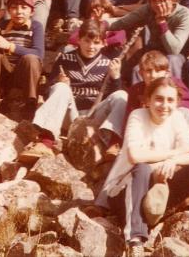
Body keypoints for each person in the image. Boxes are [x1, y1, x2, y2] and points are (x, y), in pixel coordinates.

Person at [98, 77, 189, 255]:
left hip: (157, 193)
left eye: (170, 100)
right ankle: (135, 239)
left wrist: (173, 161)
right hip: (123, 193)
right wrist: (173, 154)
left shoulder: (176, 117)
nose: (164, 105)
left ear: (177, 102)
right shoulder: (138, 116)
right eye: (159, 99)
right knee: (143, 168)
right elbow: (135, 156)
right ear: (148, 100)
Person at [21, 19, 128, 160]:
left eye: (96, 42)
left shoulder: (108, 64)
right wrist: (58, 82)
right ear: (79, 40)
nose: (91, 47)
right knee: (61, 88)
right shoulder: (65, 59)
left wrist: (116, 77)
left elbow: (113, 99)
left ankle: (113, 144)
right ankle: (46, 142)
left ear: (103, 43)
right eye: (86, 41)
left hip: (94, 118)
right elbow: (48, 94)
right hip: (70, 116)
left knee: (122, 95)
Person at [108, 0, 189, 80]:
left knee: (172, 60)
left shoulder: (185, 14)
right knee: (137, 70)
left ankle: (172, 88)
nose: (158, 4)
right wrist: (102, 24)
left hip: (176, 55)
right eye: (154, 0)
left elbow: (173, 50)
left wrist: (162, 23)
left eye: (163, 0)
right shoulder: (148, 9)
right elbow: (122, 22)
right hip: (153, 52)